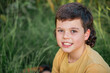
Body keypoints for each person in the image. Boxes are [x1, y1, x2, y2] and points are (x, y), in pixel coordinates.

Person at [52, 2, 110, 73]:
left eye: (73, 31)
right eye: (60, 30)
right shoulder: (61, 53)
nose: (65, 36)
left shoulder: (95, 67)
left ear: (86, 34)